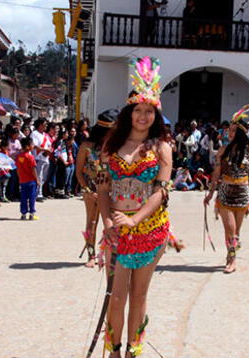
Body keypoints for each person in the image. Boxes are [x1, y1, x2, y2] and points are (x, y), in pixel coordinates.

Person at [98, 57, 175, 357]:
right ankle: (114, 350)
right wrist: (107, 222)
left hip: (151, 230)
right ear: (129, 113)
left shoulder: (161, 148)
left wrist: (136, 220)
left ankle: (135, 350)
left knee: (138, 294)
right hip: (116, 230)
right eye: (138, 110)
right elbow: (103, 189)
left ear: (156, 115)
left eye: (149, 111)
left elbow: (161, 192)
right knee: (116, 297)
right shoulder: (110, 146)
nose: (143, 117)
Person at [204, 103, 249, 274]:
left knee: (236, 231)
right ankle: (231, 259)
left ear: (241, 133)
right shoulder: (223, 150)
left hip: (242, 193)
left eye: (234, 131)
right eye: (229, 130)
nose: (230, 133)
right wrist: (211, 193)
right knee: (230, 228)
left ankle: (231, 254)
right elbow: (216, 174)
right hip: (225, 193)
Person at [75, 110, 116, 268]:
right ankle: (91, 255)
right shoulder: (86, 146)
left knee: (111, 223)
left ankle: (108, 253)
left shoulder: (115, 146)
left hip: (112, 190)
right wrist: (87, 190)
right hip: (91, 190)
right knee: (92, 222)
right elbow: (79, 172)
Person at [16, 137, 39, 220]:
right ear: (27, 146)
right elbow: (33, 169)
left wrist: (20, 178)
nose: (33, 146)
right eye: (32, 144)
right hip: (31, 181)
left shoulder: (19, 157)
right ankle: (32, 213)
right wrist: (37, 179)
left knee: (23, 197)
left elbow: (18, 169)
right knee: (32, 197)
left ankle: (23, 213)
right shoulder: (30, 157)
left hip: (23, 180)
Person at [31, 118, 52, 201]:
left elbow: (49, 145)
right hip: (38, 157)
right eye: (45, 124)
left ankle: (40, 192)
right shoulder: (34, 134)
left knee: (43, 177)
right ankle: (37, 194)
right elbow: (34, 146)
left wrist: (48, 151)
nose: (46, 126)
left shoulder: (45, 135)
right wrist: (44, 150)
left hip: (45, 157)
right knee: (38, 176)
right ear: (40, 125)